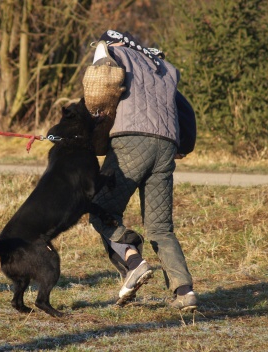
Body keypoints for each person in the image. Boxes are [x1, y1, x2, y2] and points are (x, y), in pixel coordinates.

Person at [88, 30, 198, 311]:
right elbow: (185, 111)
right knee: (161, 227)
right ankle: (184, 292)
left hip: (129, 143)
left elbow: (98, 89)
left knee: (102, 211)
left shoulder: (114, 53)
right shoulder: (162, 66)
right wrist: (183, 144)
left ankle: (134, 262)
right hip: (165, 147)